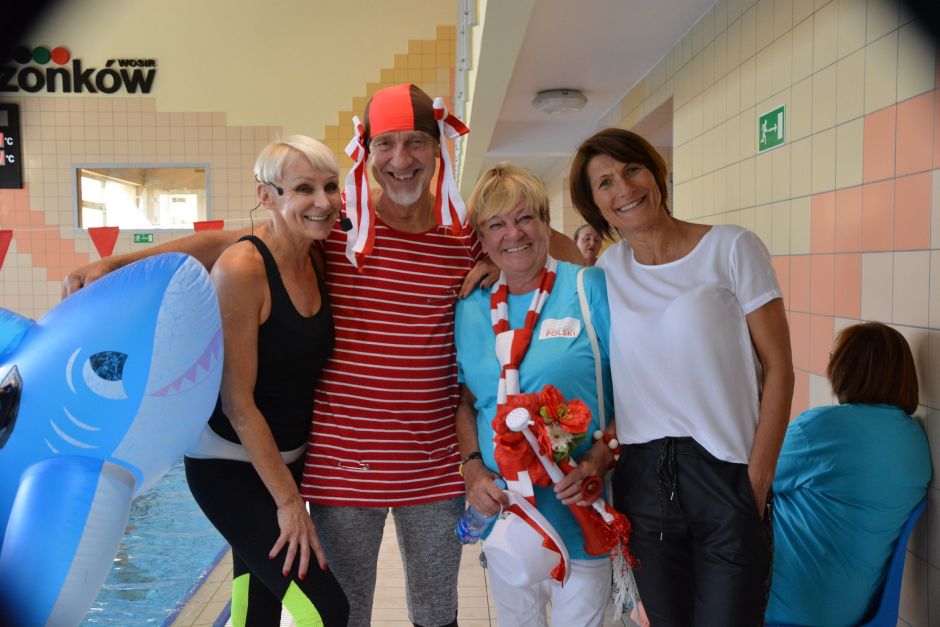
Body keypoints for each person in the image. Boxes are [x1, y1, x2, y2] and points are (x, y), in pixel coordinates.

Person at [62, 84, 583, 627]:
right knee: (343, 612)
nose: (401, 160)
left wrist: (509, 261)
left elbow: (557, 250)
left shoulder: (463, 234)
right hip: (342, 464)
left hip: (433, 467)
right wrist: (116, 264)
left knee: (436, 613)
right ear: (368, 153)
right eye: (386, 145)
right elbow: (231, 242)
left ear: (438, 149)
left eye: (415, 143)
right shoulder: (339, 226)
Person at [569, 127, 794, 626]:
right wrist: (487, 263)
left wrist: (757, 482)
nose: (624, 188)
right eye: (605, 183)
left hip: (726, 473)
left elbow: (780, 367)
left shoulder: (731, 248)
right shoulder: (608, 270)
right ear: (596, 207)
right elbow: (537, 262)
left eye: (632, 169)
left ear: (656, 172)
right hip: (643, 483)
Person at [183, 136, 349, 626]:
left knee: (257, 610)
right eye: (304, 188)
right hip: (230, 469)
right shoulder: (243, 269)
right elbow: (237, 403)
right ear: (267, 196)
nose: (323, 202)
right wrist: (290, 503)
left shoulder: (316, 254)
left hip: (286, 462)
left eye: (330, 186)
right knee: (325, 611)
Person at [454, 163, 616, 626]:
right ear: (482, 239)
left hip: (580, 516)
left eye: (525, 217)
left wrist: (601, 455)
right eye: (496, 224)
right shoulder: (470, 306)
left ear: (546, 222)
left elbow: (640, 389)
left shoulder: (588, 288)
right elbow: (467, 401)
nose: (513, 234)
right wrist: (472, 469)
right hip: (508, 520)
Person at [766, 322, 931, 627]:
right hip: (857, 610)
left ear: (848, 369)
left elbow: (750, 482)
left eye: (834, 357)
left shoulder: (821, 428)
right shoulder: (915, 441)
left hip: (790, 603)